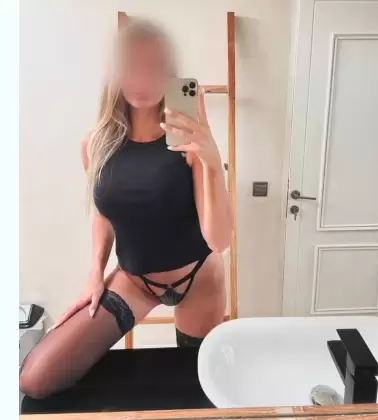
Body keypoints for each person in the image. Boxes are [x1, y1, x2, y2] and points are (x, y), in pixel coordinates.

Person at [19, 18, 232, 399]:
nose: (143, 78)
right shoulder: (95, 145)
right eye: (132, 65)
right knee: (36, 378)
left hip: (198, 278)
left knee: (197, 390)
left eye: (154, 66)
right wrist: (94, 273)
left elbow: (219, 240)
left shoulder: (188, 143)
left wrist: (212, 161)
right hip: (135, 281)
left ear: (170, 72)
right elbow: (103, 213)